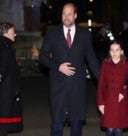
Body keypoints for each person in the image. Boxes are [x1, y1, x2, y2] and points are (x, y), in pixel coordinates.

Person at [39, 3, 99, 136]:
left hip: (77, 86)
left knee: (76, 125)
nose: (66, 17)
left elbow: (92, 60)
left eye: (69, 14)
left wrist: (104, 81)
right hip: (58, 85)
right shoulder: (52, 33)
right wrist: (58, 66)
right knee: (57, 123)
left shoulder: (85, 35)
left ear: (75, 16)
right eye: (64, 14)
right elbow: (43, 57)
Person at [97, 40, 128, 136]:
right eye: (112, 50)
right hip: (108, 101)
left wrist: (123, 92)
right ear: (109, 51)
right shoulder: (105, 65)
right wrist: (100, 103)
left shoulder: (127, 65)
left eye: (117, 50)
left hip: (121, 101)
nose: (114, 52)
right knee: (110, 129)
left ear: (122, 52)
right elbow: (100, 85)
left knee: (118, 130)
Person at [0, 22, 23, 136]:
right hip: (6, 91)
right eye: (13, 33)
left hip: (6, 90)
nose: (15, 35)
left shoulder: (5, 45)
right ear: (6, 33)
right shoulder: (5, 47)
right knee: (3, 123)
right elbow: (3, 68)